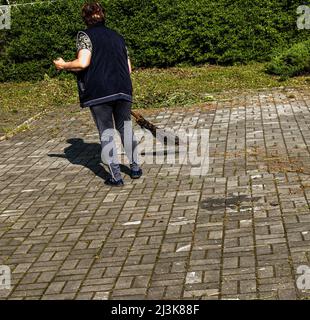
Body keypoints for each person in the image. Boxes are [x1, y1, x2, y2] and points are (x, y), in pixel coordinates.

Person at [53, 2, 142, 186]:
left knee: (106, 132)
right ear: (103, 16)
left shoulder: (84, 35)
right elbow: (129, 68)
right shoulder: (118, 36)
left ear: (85, 18)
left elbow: (83, 63)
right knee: (125, 128)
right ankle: (135, 168)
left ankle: (116, 177)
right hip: (123, 88)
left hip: (100, 91)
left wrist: (63, 65)